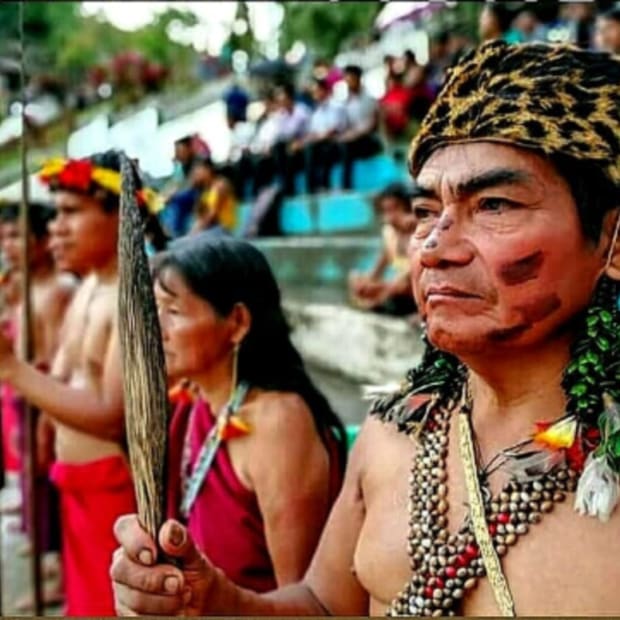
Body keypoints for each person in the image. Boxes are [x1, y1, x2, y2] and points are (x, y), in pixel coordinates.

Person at [111, 41, 620, 616]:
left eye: (495, 205)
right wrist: (212, 600)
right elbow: (325, 605)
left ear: (613, 240)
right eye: (428, 212)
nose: (432, 247)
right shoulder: (390, 436)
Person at [0, 151, 162, 616]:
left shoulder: (132, 297)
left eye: (71, 213)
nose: (56, 227)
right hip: (77, 483)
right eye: (56, 216)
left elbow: (113, 417)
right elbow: (68, 377)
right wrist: (46, 424)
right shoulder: (90, 285)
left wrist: (12, 369)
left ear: (121, 215)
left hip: (114, 490)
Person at [154, 236, 347, 591]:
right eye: (154, 309)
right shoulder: (195, 402)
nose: (155, 327)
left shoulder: (278, 423)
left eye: (173, 312)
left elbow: (303, 598)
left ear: (238, 322)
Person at [0, 200, 76, 609]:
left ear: (43, 240)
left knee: (52, 485)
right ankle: (52, 556)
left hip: (47, 395)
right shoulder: (25, 284)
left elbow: (61, 362)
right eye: (5, 237)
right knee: (37, 482)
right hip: (28, 392)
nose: (8, 246)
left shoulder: (59, 290)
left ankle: (62, 571)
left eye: (17, 236)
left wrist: (46, 416)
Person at [349, 183, 417, 317]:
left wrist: (383, 290)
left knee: (399, 288)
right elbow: (379, 267)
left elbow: (409, 277)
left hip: (413, 293)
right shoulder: (390, 233)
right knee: (355, 277)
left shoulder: (418, 232)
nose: (390, 217)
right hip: (396, 291)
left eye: (396, 208)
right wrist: (367, 284)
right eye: (386, 211)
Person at [293, 77, 346, 194]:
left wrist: (312, 140)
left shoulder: (336, 106)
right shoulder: (316, 112)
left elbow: (332, 131)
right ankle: (311, 188)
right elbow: (313, 133)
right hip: (319, 144)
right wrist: (301, 143)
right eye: (313, 92)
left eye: (317, 91)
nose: (314, 94)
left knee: (316, 147)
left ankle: (321, 185)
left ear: (325, 90)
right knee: (303, 150)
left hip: (336, 143)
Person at [337, 65, 382, 190]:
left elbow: (371, 125)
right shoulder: (347, 102)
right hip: (353, 139)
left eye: (350, 79)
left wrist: (353, 135)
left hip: (369, 140)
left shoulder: (369, 99)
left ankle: (346, 187)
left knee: (347, 146)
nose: (348, 83)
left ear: (358, 79)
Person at [189, 156, 238, 235]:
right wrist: (194, 187)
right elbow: (198, 215)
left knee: (192, 239)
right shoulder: (204, 191)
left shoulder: (220, 184)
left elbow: (212, 215)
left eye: (198, 170)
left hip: (223, 230)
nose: (195, 173)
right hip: (210, 230)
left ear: (208, 170)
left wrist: (194, 233)